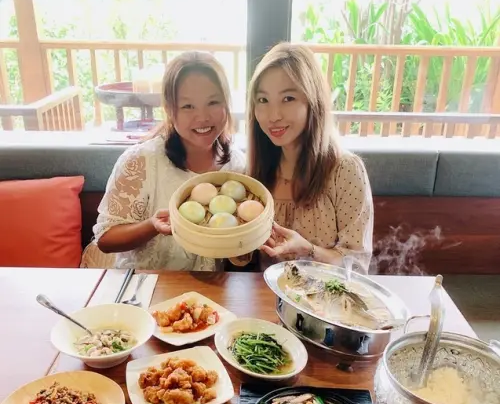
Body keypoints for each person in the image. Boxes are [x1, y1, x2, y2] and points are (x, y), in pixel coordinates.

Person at [94, 51, 245, 270]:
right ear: (169, 110)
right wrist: (152, 226)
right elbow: (106, 239)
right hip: (148, 286)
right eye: (188, 106)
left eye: (213, 102)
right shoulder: (142, 161)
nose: (203, 117)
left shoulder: (237, 166)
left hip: (213, 287)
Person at [247, 42, 373, 273]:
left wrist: (309, 251)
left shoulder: (345, 171)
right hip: (264, 293)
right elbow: (246, 261)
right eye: (263, 100)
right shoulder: (254, 172)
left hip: (324, 294)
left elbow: (355, 265)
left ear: (313, 102)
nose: (273, 116)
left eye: (288, 98)